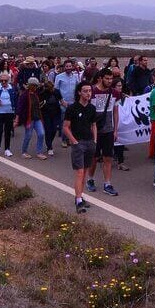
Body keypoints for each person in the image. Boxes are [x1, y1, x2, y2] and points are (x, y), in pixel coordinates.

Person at [63, 81, 97, 214]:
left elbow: (94, 124)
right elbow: (65, 127)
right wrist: (74, 141)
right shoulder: (72, 108)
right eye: (85, 91)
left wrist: (94, 140)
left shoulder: (92, 108)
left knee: (85, 174)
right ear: (79, 92)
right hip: (78, 144)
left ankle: (80, 196)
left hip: (90, 143)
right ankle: (78, 201)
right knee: (79, 172)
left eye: (89, 91)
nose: (88, 93)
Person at [86, 68, 120, 196]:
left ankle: (107, 183)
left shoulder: (115, 93)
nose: (109, 81)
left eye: (111, 79)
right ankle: (90, 179)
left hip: (108, 130)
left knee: (108, 157)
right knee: (94, 157)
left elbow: (116, 112)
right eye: (107, 78)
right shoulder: (92, 91)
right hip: (94, 130)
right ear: (101, 78)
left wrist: (116, 130)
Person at [14, 77, 46, 159]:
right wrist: (17, 119)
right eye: (34, 85)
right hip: (28, 119)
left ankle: (39, 152)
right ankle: (24, 152)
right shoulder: (24, 95)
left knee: (41, 134)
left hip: (37, 117)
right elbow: (19, 107)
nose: (35, 87)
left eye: (36, 86)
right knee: (28, 135)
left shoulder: (36, 94)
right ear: (30, 85)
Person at [54, 59, 80, 147]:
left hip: (73, 103)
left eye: (70, 66)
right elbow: (56, 90)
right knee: (64, 122)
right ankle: (64, 140)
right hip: (63, 103)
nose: (68, 68)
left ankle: (69, 139)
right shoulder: (59, 77)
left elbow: (78, 89)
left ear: (72, 67)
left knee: (73, 122)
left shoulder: (76, 77)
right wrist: (61, 101)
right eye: (67, 66)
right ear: (64, 67)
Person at [39, 78, 62, 156]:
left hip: (56, 113)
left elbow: (62, 101)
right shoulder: (43, 93)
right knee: (48, 130)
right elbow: (40, 103)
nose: (51, 90)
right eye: (49, 89)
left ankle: (49, 142)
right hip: (46, 114)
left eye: (52, 88)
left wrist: (68, 107)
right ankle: (49, 147)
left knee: (54, 130)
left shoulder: (57, 92)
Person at [112, 78, 130, 171]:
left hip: (120, 124)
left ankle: (120, 162)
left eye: (121, 85)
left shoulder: (123, 97)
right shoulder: (110, 96)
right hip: (109, 123)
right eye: (118, 86)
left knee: (120, 142)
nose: (120, 87)